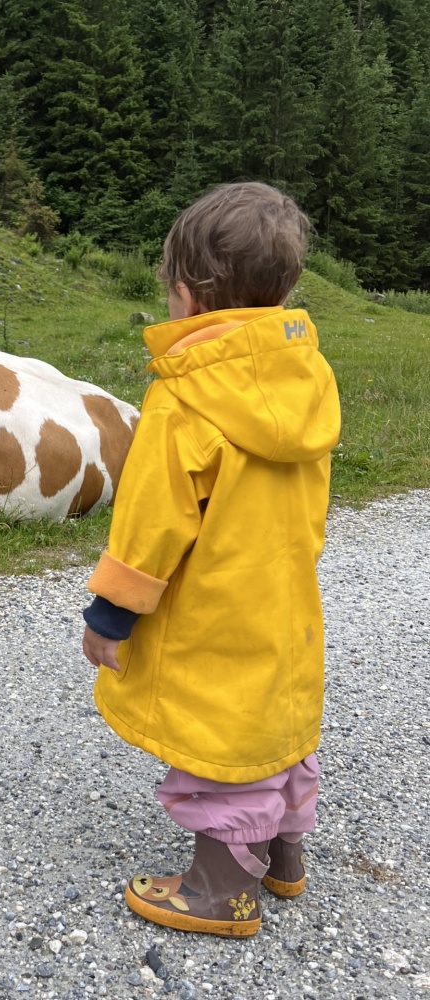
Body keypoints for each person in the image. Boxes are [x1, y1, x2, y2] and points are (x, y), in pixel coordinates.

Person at [82, 181, 341, 938]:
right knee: (273, 729)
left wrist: (110, 617)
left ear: (189, 296)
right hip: (286, 601)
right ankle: (283, 858)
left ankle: (221, 891)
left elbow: (149, 526)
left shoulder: (186, 398)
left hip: (215, 611)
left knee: (220, 739)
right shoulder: (308, 380)